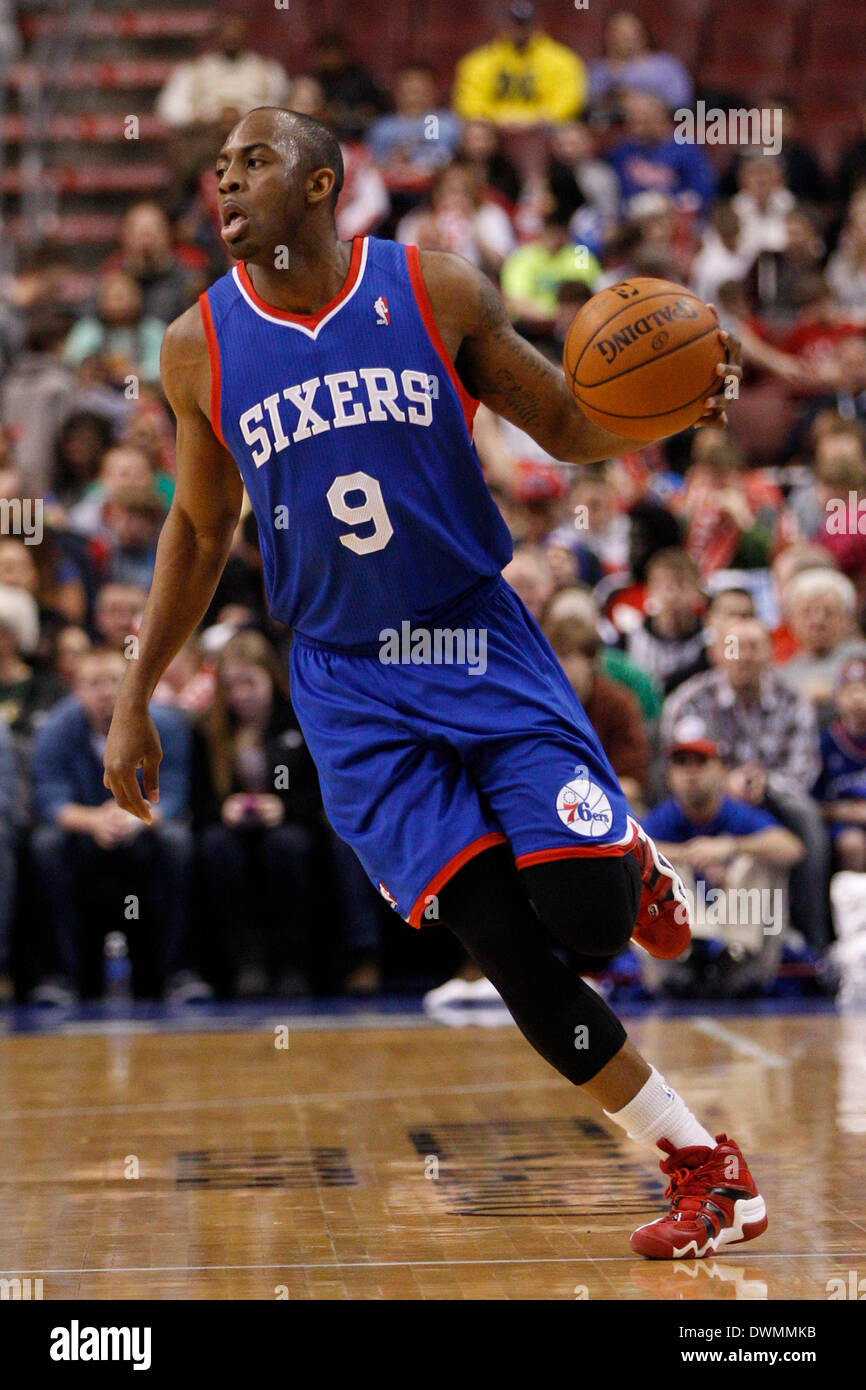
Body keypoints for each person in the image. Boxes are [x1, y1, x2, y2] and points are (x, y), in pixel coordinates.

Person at [101, 105, 763, 1262]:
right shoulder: (196, 346)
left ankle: (632, 859)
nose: (226, 181)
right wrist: (134, 691)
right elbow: (200, 530)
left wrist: (662, 403)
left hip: (472, 640)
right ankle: (704, 1166)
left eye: (254, 160)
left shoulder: (433, 289)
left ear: (320, 184)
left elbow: (563, 421)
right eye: (217, 169)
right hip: (348, 689)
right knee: (507, 947)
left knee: (590, 922)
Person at [661, 616, 830, 951]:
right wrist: (724, 782)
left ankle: (815, 944)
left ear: (771, 652)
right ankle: (683, 942)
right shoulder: (690, 699)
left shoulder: (793, 699)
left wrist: (764, 783)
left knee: (806, 816)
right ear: (718, 653)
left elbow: (803, 770)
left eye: (754, 647)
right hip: (708, 796)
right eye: (734, 647)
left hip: (773, 797)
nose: (744, 655)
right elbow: (677, 764)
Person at [642, 721, 804, 998]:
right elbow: (628, 850)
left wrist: (730, 847)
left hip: (736, 929)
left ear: (721, 771)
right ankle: (682, 953)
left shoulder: (736, 814)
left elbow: (791, 849)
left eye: (701, 762)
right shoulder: (665, 816)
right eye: (682, 763)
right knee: (654, 862)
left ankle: (738, 954)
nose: (691, 773)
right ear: (669, 775)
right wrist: (693, 854)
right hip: (679, 943)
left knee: (758, 858)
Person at [452, 1, 587, 126]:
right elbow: (468, 105)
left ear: (536, 25)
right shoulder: (479, 62)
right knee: (475, 134)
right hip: (493, 131)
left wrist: (532, 120)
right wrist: (500, 120)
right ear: (505, 25)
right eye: (515, 24)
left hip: (543, 131)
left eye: (525, 24)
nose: (520, 30)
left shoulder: (563, 60)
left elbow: (568, 103)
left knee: (569, 137)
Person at [813, 658, 866, 872]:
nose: (857, 699)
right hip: (841, 825)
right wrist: (846, 812)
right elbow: (811, 806)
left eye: (863, 689)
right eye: (849, 690)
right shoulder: (823, 743)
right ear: (837, 698)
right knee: (852, 843)